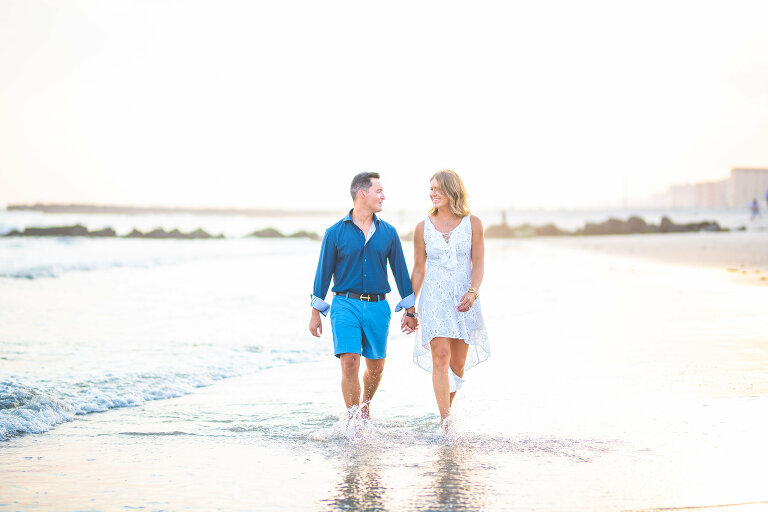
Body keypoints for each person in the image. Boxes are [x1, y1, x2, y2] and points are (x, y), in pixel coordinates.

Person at [309, 172, 418, 422]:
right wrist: (315, 312)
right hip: (344, 304)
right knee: (349, 362)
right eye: (378, 191)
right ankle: (353, 422)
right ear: (362, 194)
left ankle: (366, 405)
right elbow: (322, 274)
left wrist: (410, 311)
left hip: (378, 307)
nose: (383, 196)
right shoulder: (334, 232)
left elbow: (400, 273)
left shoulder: (389, 233)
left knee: (376, 368)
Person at [404, 169, 490, 429]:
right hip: (433, 299)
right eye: (431, 188)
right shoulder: (422, 227)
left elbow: (478, 263)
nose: (433, 193)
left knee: (457, 365)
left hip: (465, 299)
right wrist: (410, 308)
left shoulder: (473, 223)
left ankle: (446, 411)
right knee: (440, 356)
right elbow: (419, 269)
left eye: (438, 188)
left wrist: (473, 292)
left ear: (452, 190)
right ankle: (445, 422)